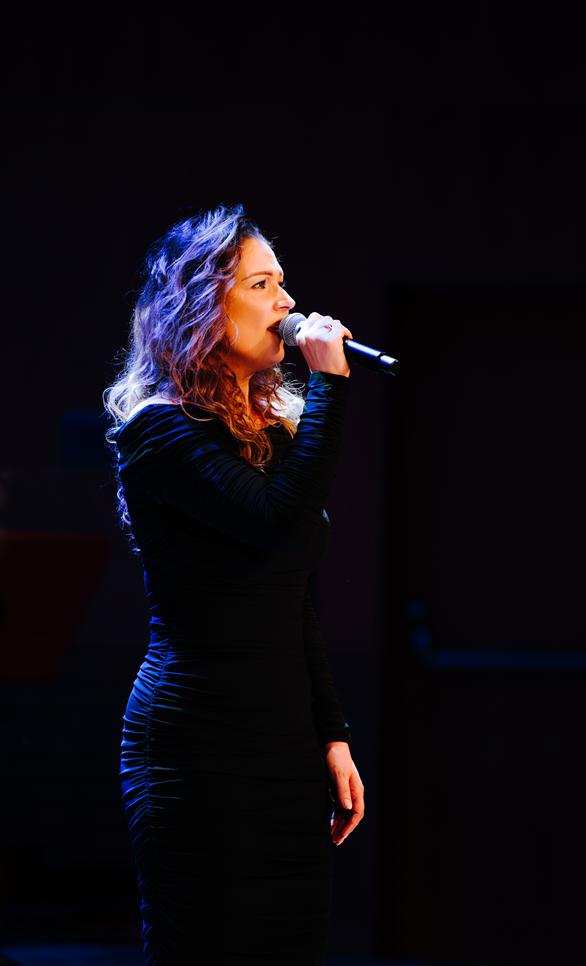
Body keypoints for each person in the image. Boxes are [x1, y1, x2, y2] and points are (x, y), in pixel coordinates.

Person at [104, 205, 364, 966]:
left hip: (283, 744)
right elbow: (280, 525)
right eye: (261, 284)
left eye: (283, 282)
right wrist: (331, 389)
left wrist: (331, 731)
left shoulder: (273, 429)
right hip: (196, 746)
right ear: (203, 309)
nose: (287, 301)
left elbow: (292, 594)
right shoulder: (159, 431)